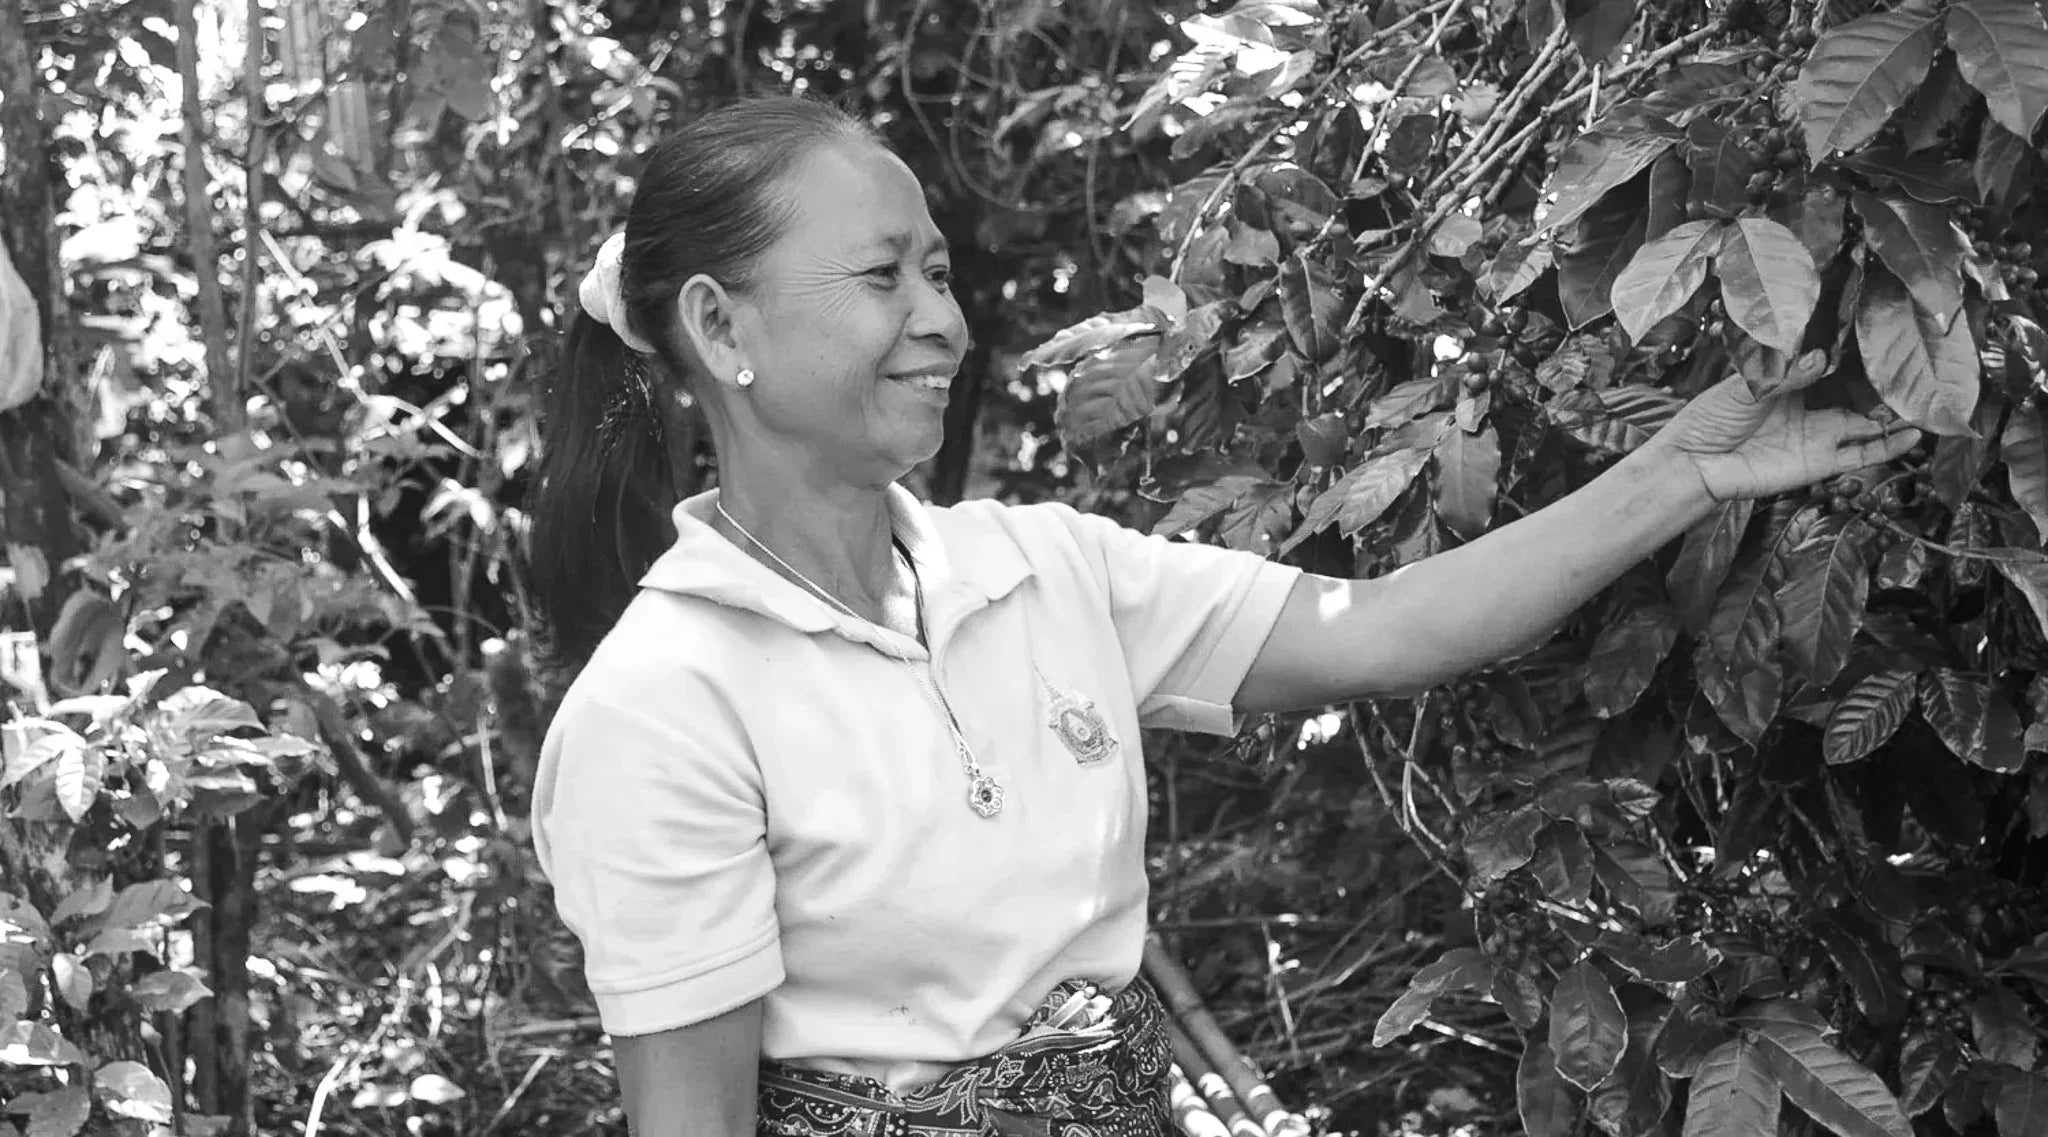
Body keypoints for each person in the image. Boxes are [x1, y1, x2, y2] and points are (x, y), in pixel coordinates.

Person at [524, 95, 1919, 1137]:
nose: (942, 316)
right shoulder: (666, 705)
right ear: (721, 329)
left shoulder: (1041, 569)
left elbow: (1378, 626)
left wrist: (1683, 465)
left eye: (941, 273)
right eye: (885, 277)